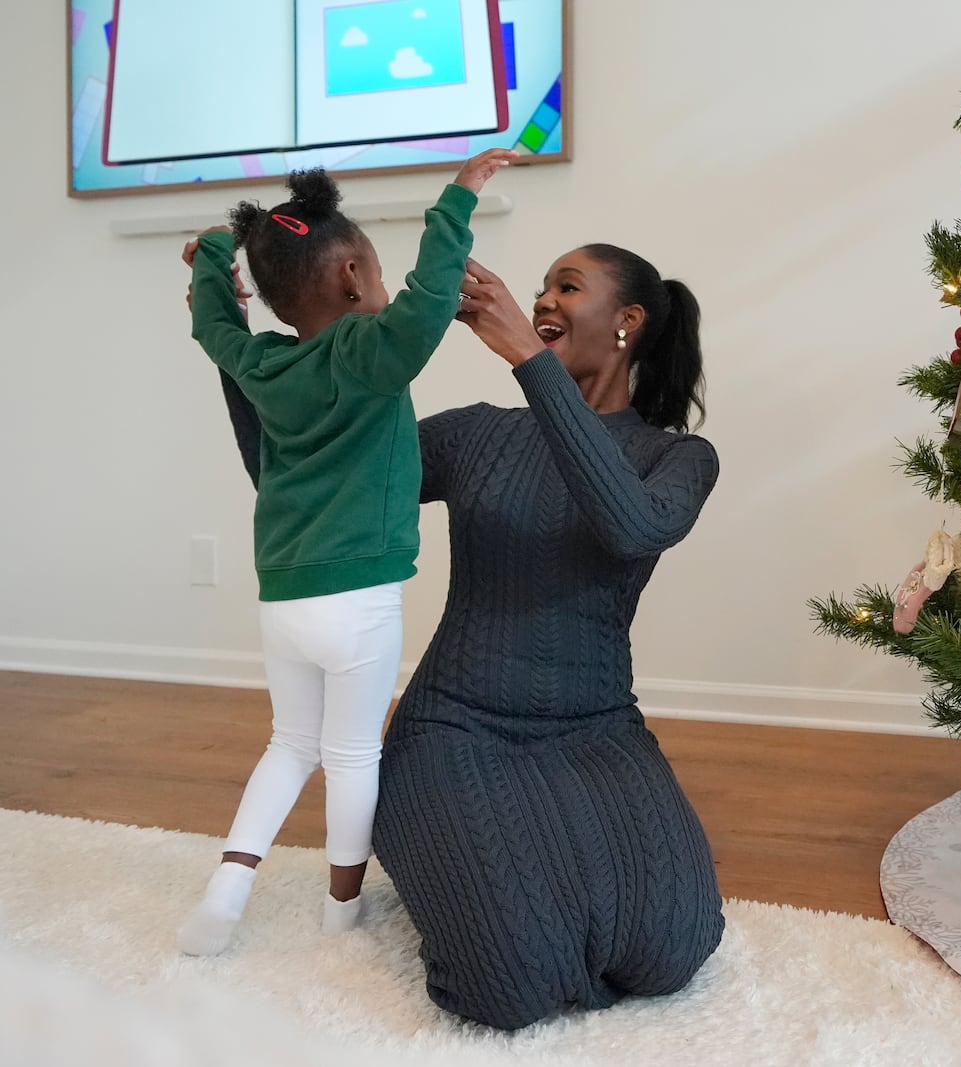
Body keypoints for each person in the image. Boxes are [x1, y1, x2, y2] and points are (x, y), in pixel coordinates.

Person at [211, 241, 725, 1028]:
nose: (544, 299)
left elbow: (629, 525)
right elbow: (290, 473)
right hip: (457, 725)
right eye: (540, 288)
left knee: (672, 948)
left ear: (628, 321)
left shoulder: (678, 458)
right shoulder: (478, 434)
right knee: (506, 983)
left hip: (596, 730)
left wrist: (526, 355)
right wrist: (233, 346)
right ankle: (436, 838)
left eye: (567, 286)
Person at [178, 148, 517, 957]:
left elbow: (213, 323)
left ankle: (229, 883)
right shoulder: (372, 355)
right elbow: (433, 297)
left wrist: (216, 252)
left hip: (283, 598)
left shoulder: (263, 362)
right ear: (357, 276)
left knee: (289, 744)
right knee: (352, 751)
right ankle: (341, 910)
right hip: (359, 601)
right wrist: (457, 196)